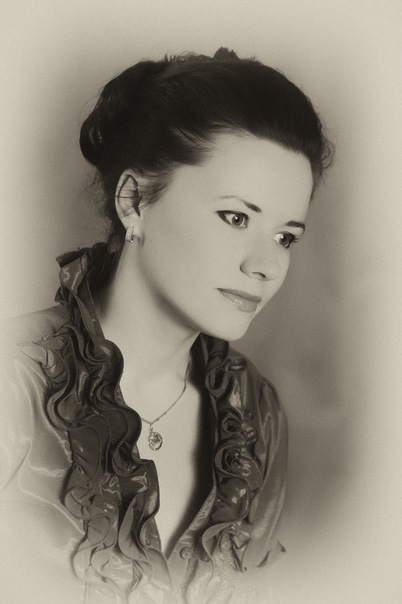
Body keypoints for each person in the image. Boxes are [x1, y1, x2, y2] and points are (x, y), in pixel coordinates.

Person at [0, 48, 332, 604]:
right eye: (235, 217)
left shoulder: (256, 415)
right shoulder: (17, 384)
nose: (266, 266)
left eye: (285, 237)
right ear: (133, 201)